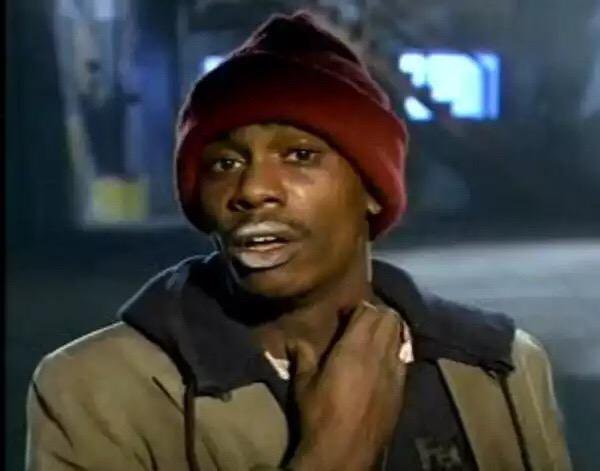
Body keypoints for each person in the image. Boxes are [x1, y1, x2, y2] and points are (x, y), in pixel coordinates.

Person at [26, 11, 571, 471]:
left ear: (372, 191)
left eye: (300, 156)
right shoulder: (93, 390)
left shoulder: (502, 364)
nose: (252, 190)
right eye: (224, 163)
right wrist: (331, 455)